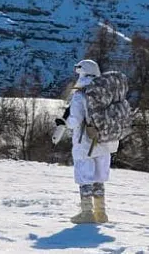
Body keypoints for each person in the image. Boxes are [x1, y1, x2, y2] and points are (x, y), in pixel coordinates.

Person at [55, 59, 119, 224]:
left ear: (82, 72)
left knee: (85, 176)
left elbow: (75, 120)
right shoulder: (107, 90)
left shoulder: (80, 92)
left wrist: (64, 124)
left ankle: (86, 213)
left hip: (86, 141)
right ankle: (101, 213)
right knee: (99, 177)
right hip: (104, 141)